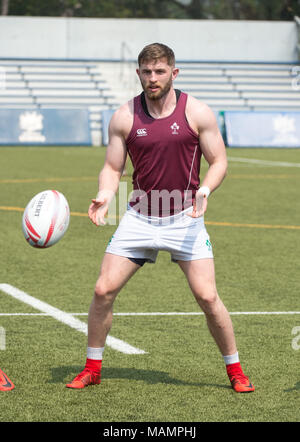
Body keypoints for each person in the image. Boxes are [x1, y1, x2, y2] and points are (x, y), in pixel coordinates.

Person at [66, 43, 254, 393]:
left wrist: (206, 190)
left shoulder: (197, 112)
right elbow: (112, 166)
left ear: (173, 73)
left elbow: (220, 162)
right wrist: (107, 194)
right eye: (147, 72)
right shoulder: (125, 116)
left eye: (160, 71)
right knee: (102, 289)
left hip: (185, 218)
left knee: (208, 298)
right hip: (138, 218)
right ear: (138, 74)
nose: (153, 78)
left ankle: (236, 371)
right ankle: (92, 367)